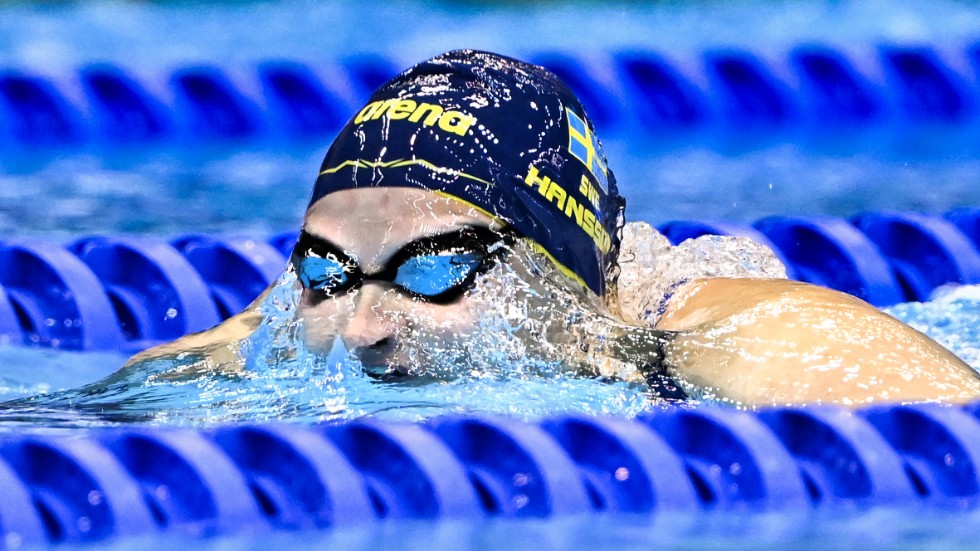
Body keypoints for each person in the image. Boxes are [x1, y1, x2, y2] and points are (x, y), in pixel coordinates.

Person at [124, 49, 980, 407]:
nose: (363, 328)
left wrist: (649, 359)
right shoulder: (295, 336)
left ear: (552, 266)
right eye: (328, 271)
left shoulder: (704, 330)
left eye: (429, 270)